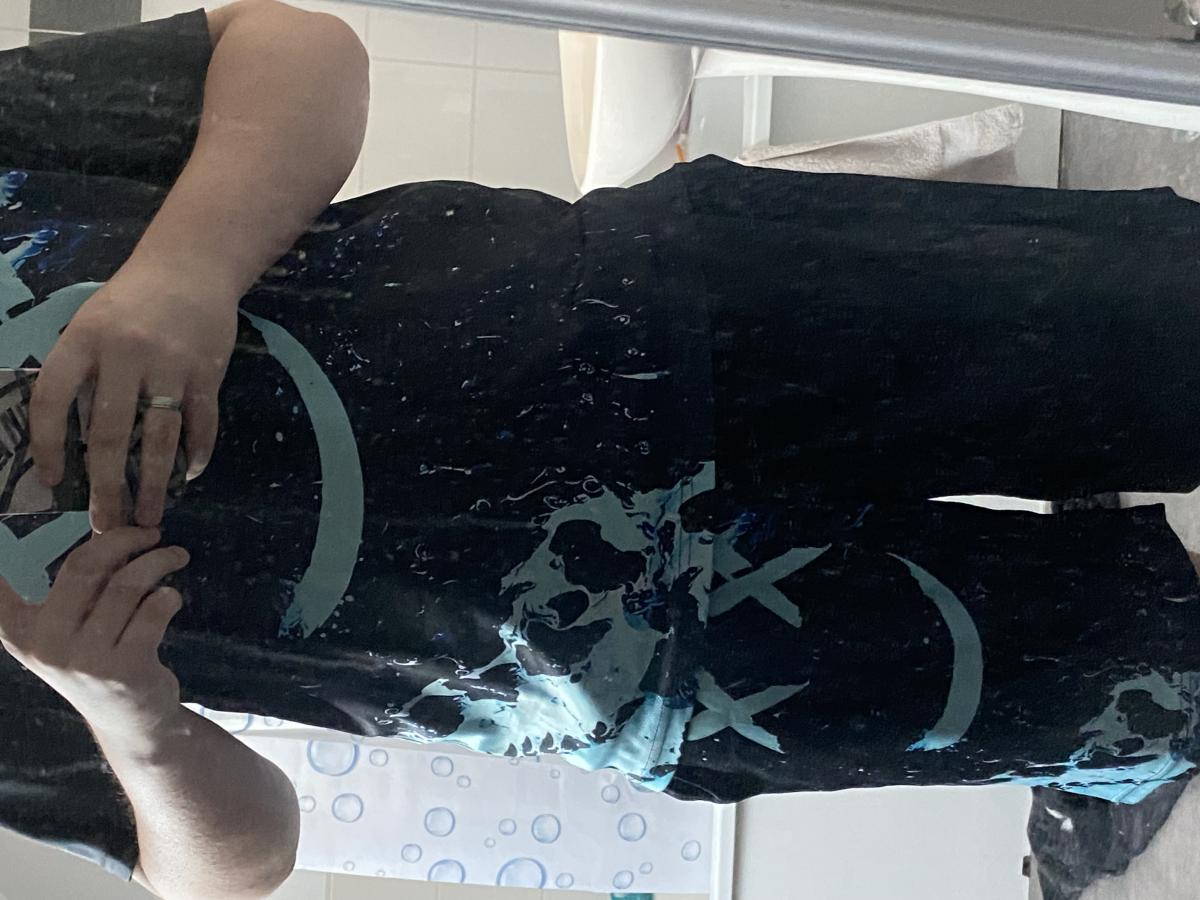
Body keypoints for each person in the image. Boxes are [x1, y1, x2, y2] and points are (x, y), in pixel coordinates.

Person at [4, 2, 1200, 898]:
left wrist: (186, 271)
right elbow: (233, 869)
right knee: (1174, 672)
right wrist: (134, 725)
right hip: (679, 666)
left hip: (707, 302)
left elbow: (294, 47)